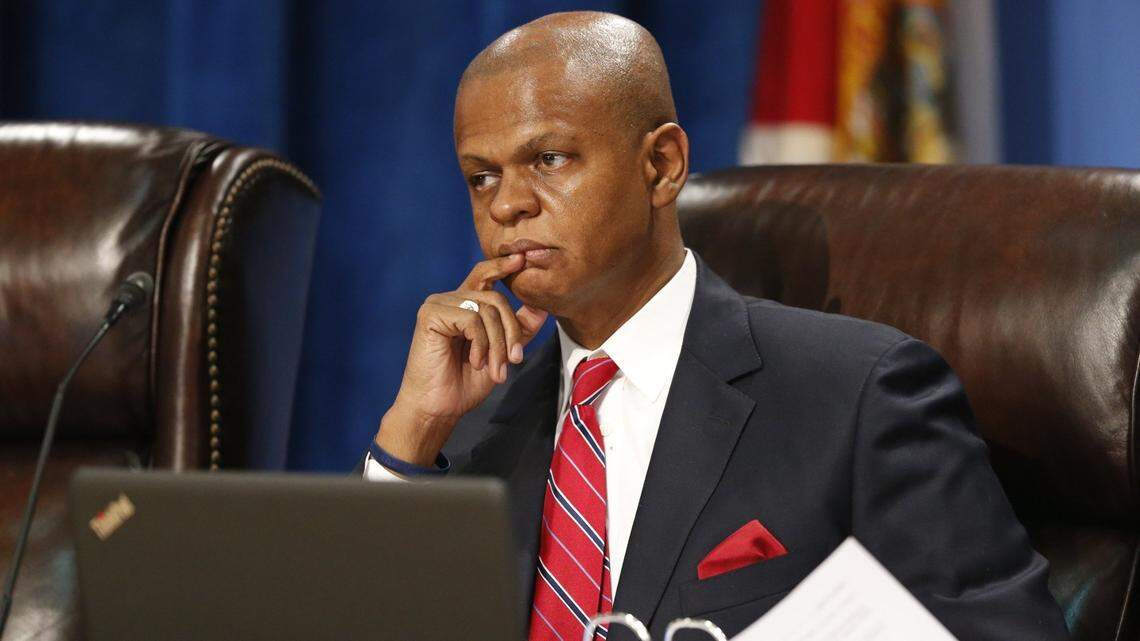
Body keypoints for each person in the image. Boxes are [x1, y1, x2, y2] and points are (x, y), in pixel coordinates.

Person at [360, 11, 1071, 641]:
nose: (509, 204)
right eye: (481, 177)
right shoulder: (474, 435)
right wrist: (413, 430)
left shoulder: (857, 395)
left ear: (662, 165)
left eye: (549, 159)